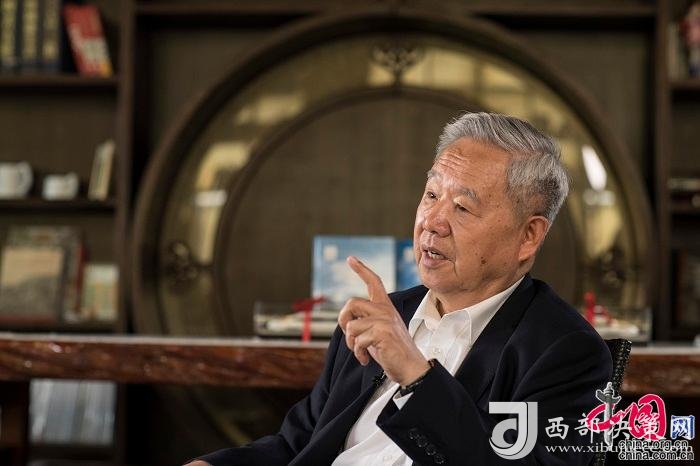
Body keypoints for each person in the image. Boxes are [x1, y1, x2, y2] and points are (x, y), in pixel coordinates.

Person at [186, 112, 612, 465]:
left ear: (529, 236)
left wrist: (415, 377)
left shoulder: (565, 353)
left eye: (462, 207)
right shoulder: (382, 318)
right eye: (431, 195)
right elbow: (296, 446)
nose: (432, 222)